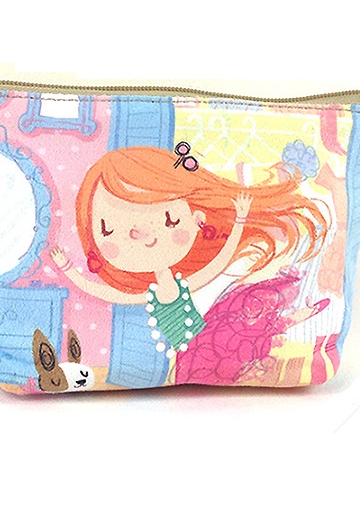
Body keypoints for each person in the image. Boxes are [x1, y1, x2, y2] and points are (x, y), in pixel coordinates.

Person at [49, 147, 329, 377]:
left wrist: (240, 221)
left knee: (252, 324)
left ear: (197, 219)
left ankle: (299, 317)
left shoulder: (178, 285)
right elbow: (105, 292)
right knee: (251, 331)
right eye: (108, 230)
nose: (142, 235)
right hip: (199, 350)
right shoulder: (152, 291)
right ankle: (296, 317)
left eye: (169, 219)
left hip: (208, 341)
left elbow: (219, 262)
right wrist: (67, 270)